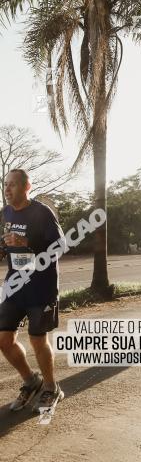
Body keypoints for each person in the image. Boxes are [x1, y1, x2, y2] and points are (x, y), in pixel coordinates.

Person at [0, 169, 64, 412]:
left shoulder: (41, 212)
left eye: (13, 184)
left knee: (38, 339)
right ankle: (31, 380)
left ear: (27, 187)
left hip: (41, 286)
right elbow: (3, 244)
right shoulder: (5, 213)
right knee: (3, 339)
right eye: (5, 184)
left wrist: (27, 243)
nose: (7, 189)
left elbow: (60, 246)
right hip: (15, 285)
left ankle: (50, 387)